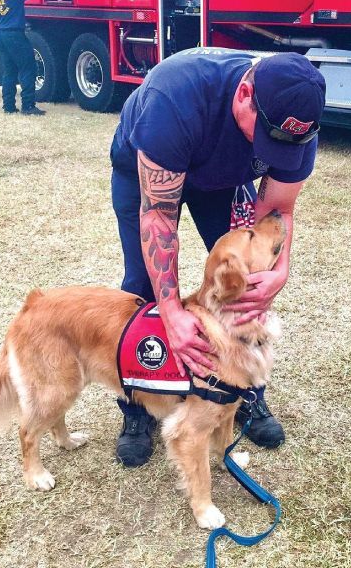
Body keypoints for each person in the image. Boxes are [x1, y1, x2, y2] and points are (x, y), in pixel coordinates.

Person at [110, 48, 326, 467]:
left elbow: (277, 212)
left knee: (248, 284)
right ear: (244, 93)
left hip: (222, 180)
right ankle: (138, 402)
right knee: (142, 286)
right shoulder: (175, 97)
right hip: (149, 173)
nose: (274, 152)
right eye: (266, 139)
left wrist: (278, 272)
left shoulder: (298, 123)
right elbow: (158, 217)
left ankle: (243, 389)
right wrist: (172, 312)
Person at [0, 0, 47, 116]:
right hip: (15, 35)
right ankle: (28, 106)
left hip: (0, 35)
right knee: (28, 68)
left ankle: (8, 106)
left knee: (9, 71)